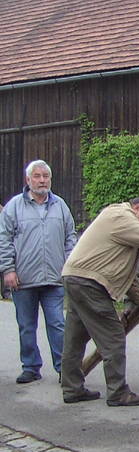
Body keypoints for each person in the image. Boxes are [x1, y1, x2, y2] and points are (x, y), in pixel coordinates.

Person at [60, 197, 139, 405]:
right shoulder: (120, 216)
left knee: (75, 338)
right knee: (113, 336)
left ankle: (72, 388)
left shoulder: (123, 227)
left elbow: (129, 276)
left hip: (77, 278)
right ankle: (117, 392)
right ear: (137, 208)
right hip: (89, 282)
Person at [0, 160, 77, 384]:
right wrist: (8, 270)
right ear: (28, 180)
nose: (42, 180)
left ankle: (65, 369)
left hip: (54, 278)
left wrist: (69, 265)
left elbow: (70, 237)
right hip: (22, 279)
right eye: (37, 176)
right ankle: (31, 367)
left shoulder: (60, 205)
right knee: (26, 325)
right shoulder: (14, 206)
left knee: (57, 324)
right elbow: (3, 240)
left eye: (45, 176)